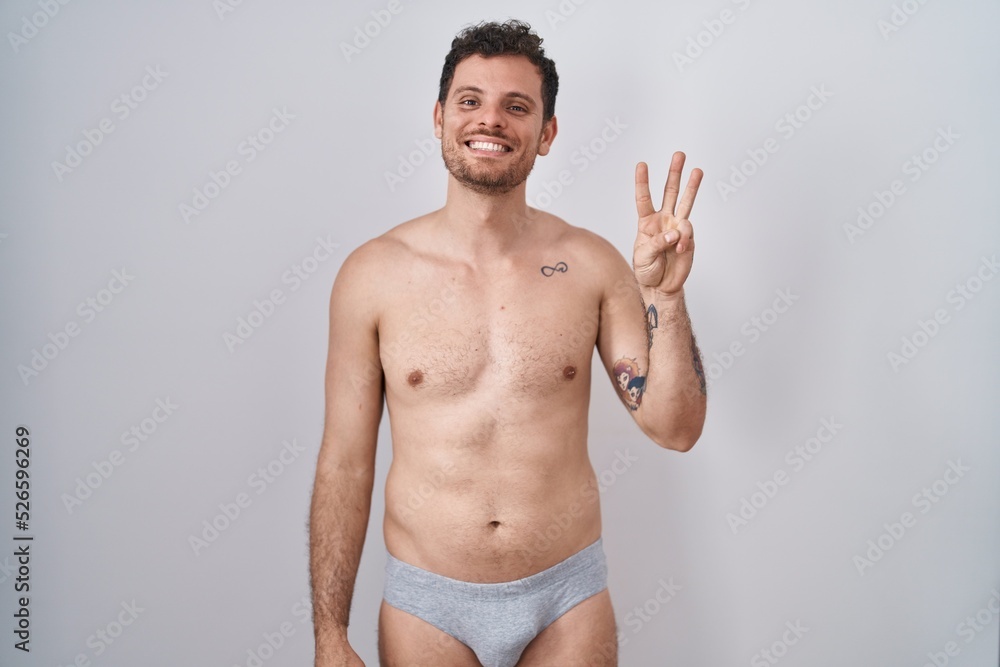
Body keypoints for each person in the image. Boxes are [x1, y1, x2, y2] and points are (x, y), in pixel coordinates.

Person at [309, 19, 707, 667]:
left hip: (566, 599)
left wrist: (665, 293)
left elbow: (677, 427)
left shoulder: (591, 264)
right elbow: (344, 464)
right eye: (470, 101)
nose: (489, 120)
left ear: (546, 133)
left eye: (516, 106)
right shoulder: (372, 275)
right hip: (426, 604)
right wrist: (330, 632)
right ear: (439, 116)